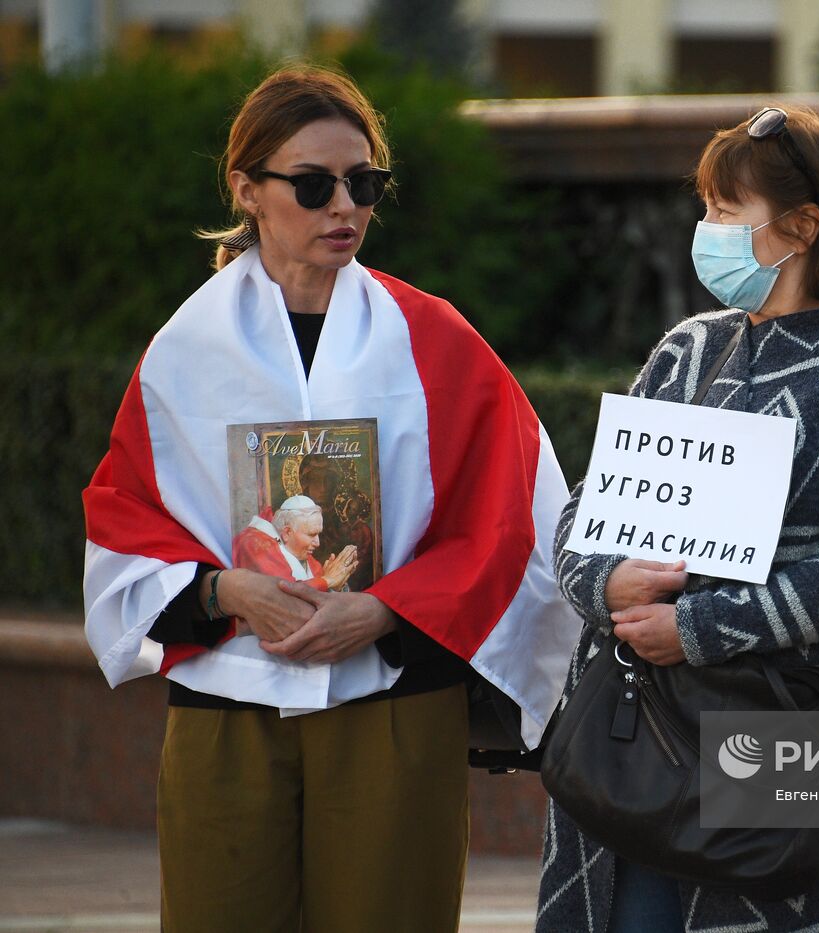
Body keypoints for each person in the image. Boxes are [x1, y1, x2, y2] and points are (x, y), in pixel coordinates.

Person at [82, 65, 580, 933]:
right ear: (248, 189)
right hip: (227, 705)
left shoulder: (436, 338)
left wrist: (385, 610)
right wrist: (223, 589)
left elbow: (515, 519)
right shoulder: (182, 350)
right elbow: (127, 521)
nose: (342, 206)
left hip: (393, 702)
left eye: (365, 183)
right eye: (313, 185)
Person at [537, 105, 819, 932]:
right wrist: (607, 583)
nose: (707, 229)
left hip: (795, 724)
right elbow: (587, 508)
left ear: (801, 227)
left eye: (727, 211)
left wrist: (702, 626)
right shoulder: (689, 345)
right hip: (636, 727)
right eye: (708, 208)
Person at [231, 495, 357, 591]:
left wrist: (336, 584)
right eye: (312, 534)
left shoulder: (299, 552)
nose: (317, 543)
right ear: (287, 533)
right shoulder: (254, 545)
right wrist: (326, 581)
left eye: (319, 534)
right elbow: (283, 598)